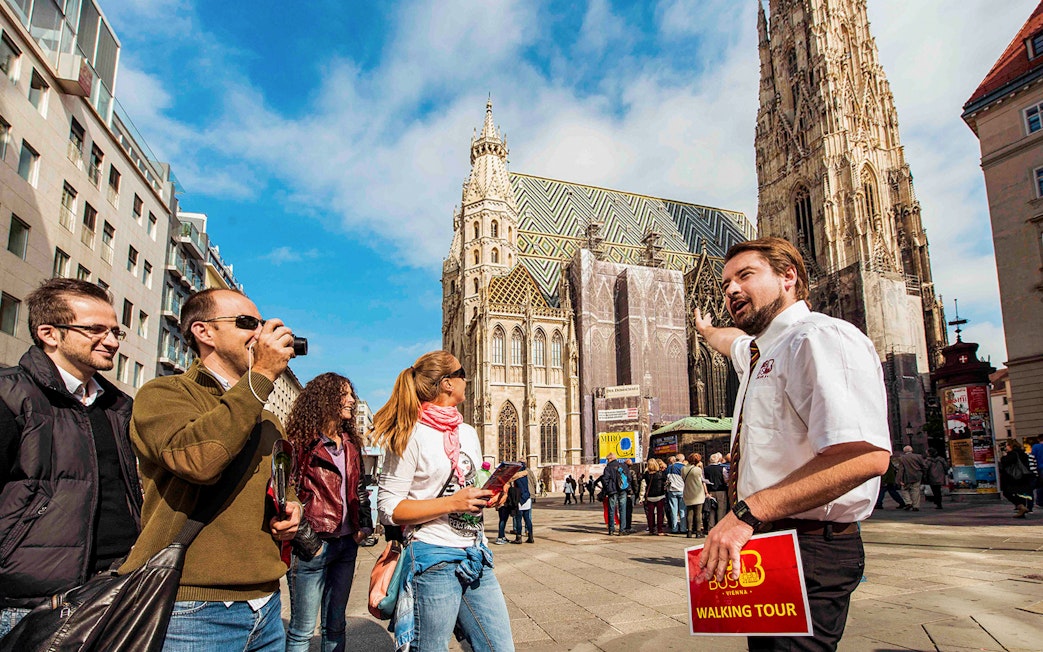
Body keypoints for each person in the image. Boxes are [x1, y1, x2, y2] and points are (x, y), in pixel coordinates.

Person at [694, 237, 891, 651]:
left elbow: (865, 456)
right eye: (726, 282)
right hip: (772, 547)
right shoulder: (759, 351)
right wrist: (707, 329)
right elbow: (731, 342)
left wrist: (746, 514)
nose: (731, 289)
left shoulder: (819, 338)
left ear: (789, 278)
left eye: (745, 276)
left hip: (811, 548)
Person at [120, 288, 301, 651]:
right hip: (191, 607)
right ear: (204, 332)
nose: (260, 334)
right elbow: (199, 461)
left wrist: (291, 508)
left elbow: (280, 486)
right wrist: (262, 374)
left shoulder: (267, 418)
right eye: (248, 323)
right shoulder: (163, 394)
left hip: (266, 603)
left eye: (262, 324)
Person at [0, 279, 142, 639]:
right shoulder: (11, 395)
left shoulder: (118, 406)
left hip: (113, 592)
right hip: (29, 604)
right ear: (49, 333)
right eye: (95, 329)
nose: (111, 341)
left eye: (115, 331)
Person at [374, 351, 513, 651]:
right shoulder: (410, 433)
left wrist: (491, 496)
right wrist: (453, 503)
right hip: (433, 557)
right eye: (463, 373)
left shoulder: (468, 432)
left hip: (476, 555)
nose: (468, 378)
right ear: (447, 384)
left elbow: (468, 485)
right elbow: (388, 509)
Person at [284, 373, 373, 652]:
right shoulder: (302, 441)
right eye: (344, 395)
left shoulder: (350, 442)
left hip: (346, 545)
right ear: (325, 400)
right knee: (302, 631)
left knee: (336, 626)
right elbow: (287, 492)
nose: (351, 400)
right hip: (313, 546)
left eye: (351, 395)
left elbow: (359, 488)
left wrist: (363, 526)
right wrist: (309, 542)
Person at [999, 439, 1034, 518]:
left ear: (1011, 446)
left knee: (1007, 492)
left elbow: (1005, 462)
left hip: (1013, 477)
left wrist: (1004, 456)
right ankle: (1022, 511)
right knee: (1021, 494)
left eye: (1007, 445)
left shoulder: (1013, 454)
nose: (1006, 447)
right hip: (1023, 476)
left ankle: (1021, 507)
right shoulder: (1023, 453)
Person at [593, 453, 626, 535]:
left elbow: (605, 479)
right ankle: (622, 530)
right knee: (622, 510)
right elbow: (628, 477)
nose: (607, 461)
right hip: (622, 490)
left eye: (607, 459)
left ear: (610, 459)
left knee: (611, 510)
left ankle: (611, 530)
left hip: (612, 491)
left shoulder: (608, 468)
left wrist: (608, 488)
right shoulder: (622, 465)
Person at [682, 453, 706, 538]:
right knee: (698, 513)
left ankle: (689, 531)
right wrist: (701, 467)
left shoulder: (683, 469)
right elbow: (702, 479)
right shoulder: (697, 470)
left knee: (689, 512)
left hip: (688, 491)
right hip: (698, 492)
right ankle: (698, 532)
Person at [641, 459, 667, 535]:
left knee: (650, 514)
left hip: (650, 496)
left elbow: (642, 482)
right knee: (660, 513)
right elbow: (666, 482)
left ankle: (651, 529)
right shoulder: (660, 474)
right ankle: (660, 530)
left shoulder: (646, 474)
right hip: (660, 495)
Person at [703, 452, 729, 529]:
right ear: (718, 460)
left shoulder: (705, 469)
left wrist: (706, 492)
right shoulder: (722, 468)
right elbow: (726, 479)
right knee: (721, 509)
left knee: (711, 509)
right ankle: (720, 526)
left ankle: (711, 527)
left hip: (710, 491)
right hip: (721, 490)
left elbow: (703, 480)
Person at [896, 445, 927, 511]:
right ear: (911, 450)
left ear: (904, 451)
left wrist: (899, 479)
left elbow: (901, 469)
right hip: (917, 476)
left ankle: (908, 502)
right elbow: (924, 466)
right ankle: (916, 506)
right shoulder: (918, 456)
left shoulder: (902, 458)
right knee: (916, 490)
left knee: (904, 490)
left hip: (906, 477)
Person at [511, 469, 534, 544]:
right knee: (527, 519)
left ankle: (519, 537)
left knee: (518, 520)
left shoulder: (517, 477)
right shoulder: (525, 476)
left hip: (520, 500)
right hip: (527, 498)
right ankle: (531, 537)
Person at [665, 455, 685, 533]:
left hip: (672, 490)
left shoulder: (670, 467)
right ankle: (683, 528)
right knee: (682, 509)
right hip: (682, 489)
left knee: (673, 509)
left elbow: (667, 477)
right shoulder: (684, 467)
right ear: (683, 460)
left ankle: (674, 528)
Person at [1031, 436, 1043, 510]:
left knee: (1041, 485)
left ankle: (1040, 501)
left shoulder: (1036, 447)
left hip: (1040, 467)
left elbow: (1032, 457)